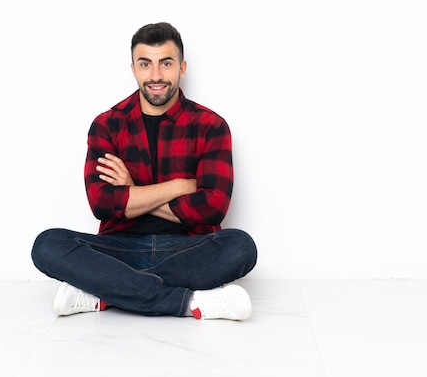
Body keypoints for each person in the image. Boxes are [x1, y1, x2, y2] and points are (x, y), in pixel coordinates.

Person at [31, 22, 257, 320]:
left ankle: (105, 291)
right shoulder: (108, 124)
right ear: (133, 68)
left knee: (241, 247)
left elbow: (212, 209)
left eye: (166, 63)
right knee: (47, 244)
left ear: (182, 68)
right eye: (145, 64)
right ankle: (188, 302)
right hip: (119, 248)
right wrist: (181, 185)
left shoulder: (210, 125)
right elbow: (102, 204)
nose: (155, 76)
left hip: (189, 249)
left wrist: (131, 193)